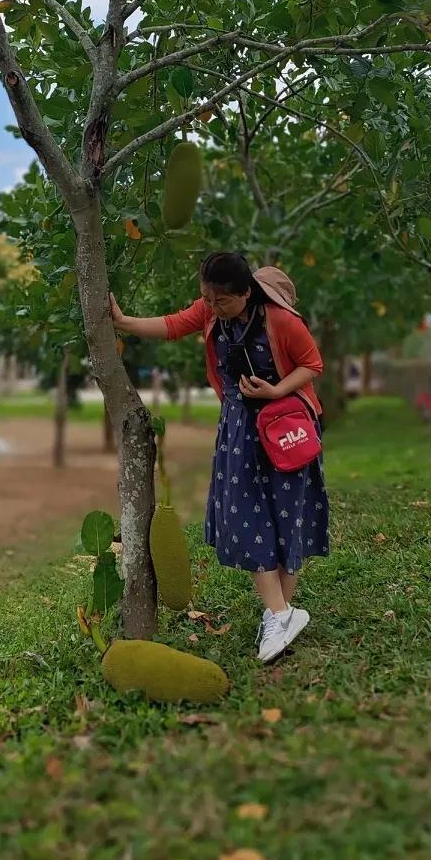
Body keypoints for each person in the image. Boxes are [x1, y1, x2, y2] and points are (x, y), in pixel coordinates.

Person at [110, 251, 329, 663]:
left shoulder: (283, 321)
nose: (212, 308)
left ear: (246, 293)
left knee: (288, 516)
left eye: (221, 301)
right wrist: (123, 323)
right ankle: (280, 614)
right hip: (240, 431)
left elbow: (311, 365)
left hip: (285, 427)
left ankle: (279, 614)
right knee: (247, 516)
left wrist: (276, 391)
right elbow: (173, 325)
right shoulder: (211, 311)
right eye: (206, 299)